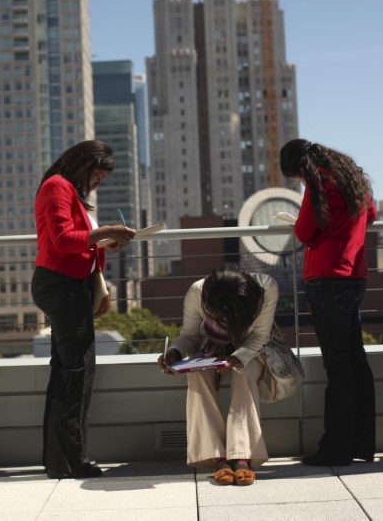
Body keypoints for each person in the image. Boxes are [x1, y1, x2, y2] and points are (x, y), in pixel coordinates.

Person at [31, 139, 136, 479]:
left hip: (70, 286)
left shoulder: (68, 190)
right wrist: (107, 232)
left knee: (70, 373)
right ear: (83, 165)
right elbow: (62, 240)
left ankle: (61, 460)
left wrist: (106, 244)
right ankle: (72, 460)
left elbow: (78, 241)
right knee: (77, 374)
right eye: (97, 176)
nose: (97, 184)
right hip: (61, 286)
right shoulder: (57, 187)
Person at [280, 139, 377, 467]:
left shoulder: (318, 181)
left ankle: (336, 448)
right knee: (355, 361)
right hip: (355, 276)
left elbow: (305, 232)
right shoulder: (351, 178)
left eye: (296, 178)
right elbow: (372, 214)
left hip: (327, 278)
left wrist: (300, 219)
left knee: (338, 367)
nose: (300, 182)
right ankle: (362, 442)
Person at [157, 264, 279, 486]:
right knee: (197, 376)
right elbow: (190, 337)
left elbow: (260, 335)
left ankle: (242, 455)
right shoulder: (197, 292)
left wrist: (237, 357)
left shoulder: (266, 288)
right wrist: (175, 352)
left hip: (251, 348)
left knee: (245, 371)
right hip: (210, 348)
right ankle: (217, 457)